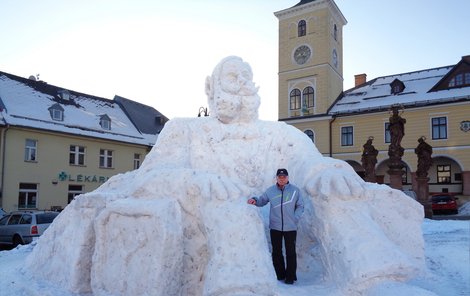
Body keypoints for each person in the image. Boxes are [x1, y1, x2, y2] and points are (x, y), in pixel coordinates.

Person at [26, 56, 426, 296]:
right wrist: (195, 181)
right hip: (216, 210)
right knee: (233, 204)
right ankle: (239, 285)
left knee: (336, 189)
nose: (244, 84)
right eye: (234, 76)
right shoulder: (185, 128)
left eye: (247, 77)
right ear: (211, 87)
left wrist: (325, 168)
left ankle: (376, 276)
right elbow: (151, 176)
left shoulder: (279, 132)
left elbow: (305, 160)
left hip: (282, 215)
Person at [247, 168, 304, 284]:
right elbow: (262, 201)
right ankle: (280, 274)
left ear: (287, 178)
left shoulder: (295, 191)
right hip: (275, 227)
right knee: (277, 252)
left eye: (284, 177)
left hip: (290, 227)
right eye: (280, 177)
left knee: (291, 252)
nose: (282, 179)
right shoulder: (271, 191)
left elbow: (300, 206)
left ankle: (290, 277)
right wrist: (254, 200)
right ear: (277, 178)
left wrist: (295, 218)